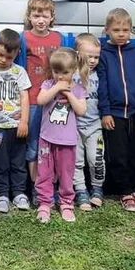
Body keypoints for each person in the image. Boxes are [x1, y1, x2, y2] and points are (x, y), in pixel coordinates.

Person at [98, 8, 135, 212]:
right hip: (115, 113)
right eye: (116, 30)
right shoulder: (104, 54)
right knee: (118, 153)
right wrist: (106, 112)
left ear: (131, 30)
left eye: (125, 30)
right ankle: (124, 190)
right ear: (107, 30)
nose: (121, 34)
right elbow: (102, 85)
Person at [33, 48, 88, 223]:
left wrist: (69, 94)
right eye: (57, 72)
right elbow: (41, 100)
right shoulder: (48, 85)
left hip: (68, 141)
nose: (60, 77)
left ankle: (66, 203)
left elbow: (81, 110)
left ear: (74, 71)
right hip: (47, 139)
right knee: (45, 173)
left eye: (65, 72)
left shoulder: (78, 89)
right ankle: (44, 202)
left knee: (66, 174)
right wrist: (56, 87)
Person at [0, 29, 32, 213]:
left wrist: (24, 121)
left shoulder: (19, 72)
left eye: (8, 57)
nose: (3, 60)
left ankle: (19, 192)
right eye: (0, 54)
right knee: (0, 161)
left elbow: (25, 97)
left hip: (17, 126)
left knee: (18, 161)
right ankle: (2, 193)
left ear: (17, 53)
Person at [19, 0, 63, 198]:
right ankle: (36, 188)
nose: (40, 20)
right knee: (34, 145)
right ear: (29, 17)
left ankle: (50, 185)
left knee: (53, 144)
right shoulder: (24, 38)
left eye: (45, 16)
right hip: (34, 99)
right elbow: (19, 69)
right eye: (36, 15)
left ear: (52, 17)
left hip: (56, 101)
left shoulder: (58, 38)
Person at [72, 33, 105, 210]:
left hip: (94, 126)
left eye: (96, 57)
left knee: (96, 158)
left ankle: (97, 189)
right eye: (88, 56)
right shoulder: (71, 74)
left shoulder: (99, 76)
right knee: (76, 161)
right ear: (77, 53)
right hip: (74, 126)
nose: (92, 60)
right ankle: (81, 190)